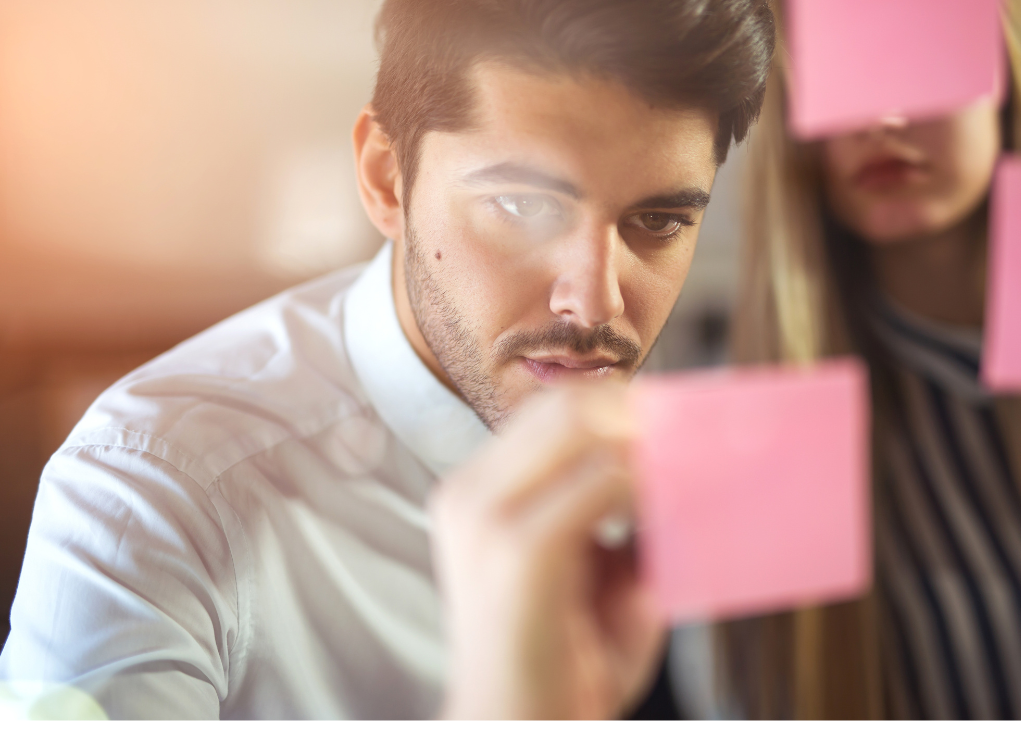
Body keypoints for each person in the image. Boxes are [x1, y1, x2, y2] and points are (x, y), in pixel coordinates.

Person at [0, 0, 775, 719]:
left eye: (658, 221)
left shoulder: (727, 439)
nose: (596, 304)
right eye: (524, 207)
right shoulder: (150, 493)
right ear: (385, 177)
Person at [720, 0, 1021, 719]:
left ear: (1008, 73)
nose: (879, 117)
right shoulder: (762, 434)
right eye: (838, 71)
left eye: (918, 56)